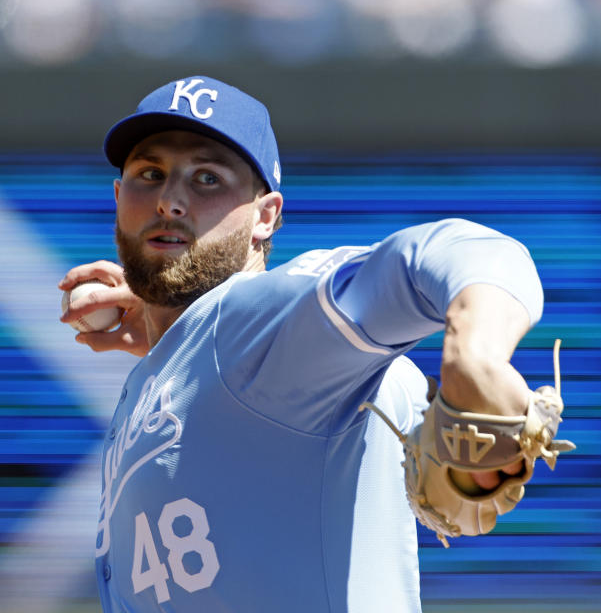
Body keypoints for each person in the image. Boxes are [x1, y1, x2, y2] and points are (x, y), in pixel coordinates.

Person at [58, 76, 544, 612]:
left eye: (207, 178)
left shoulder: (253, 323)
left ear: (265, 216)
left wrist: (474, 353)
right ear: (118, 196)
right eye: (150, 174)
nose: (171, 200)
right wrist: (167, 338)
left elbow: (467, 251)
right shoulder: (201, 361)